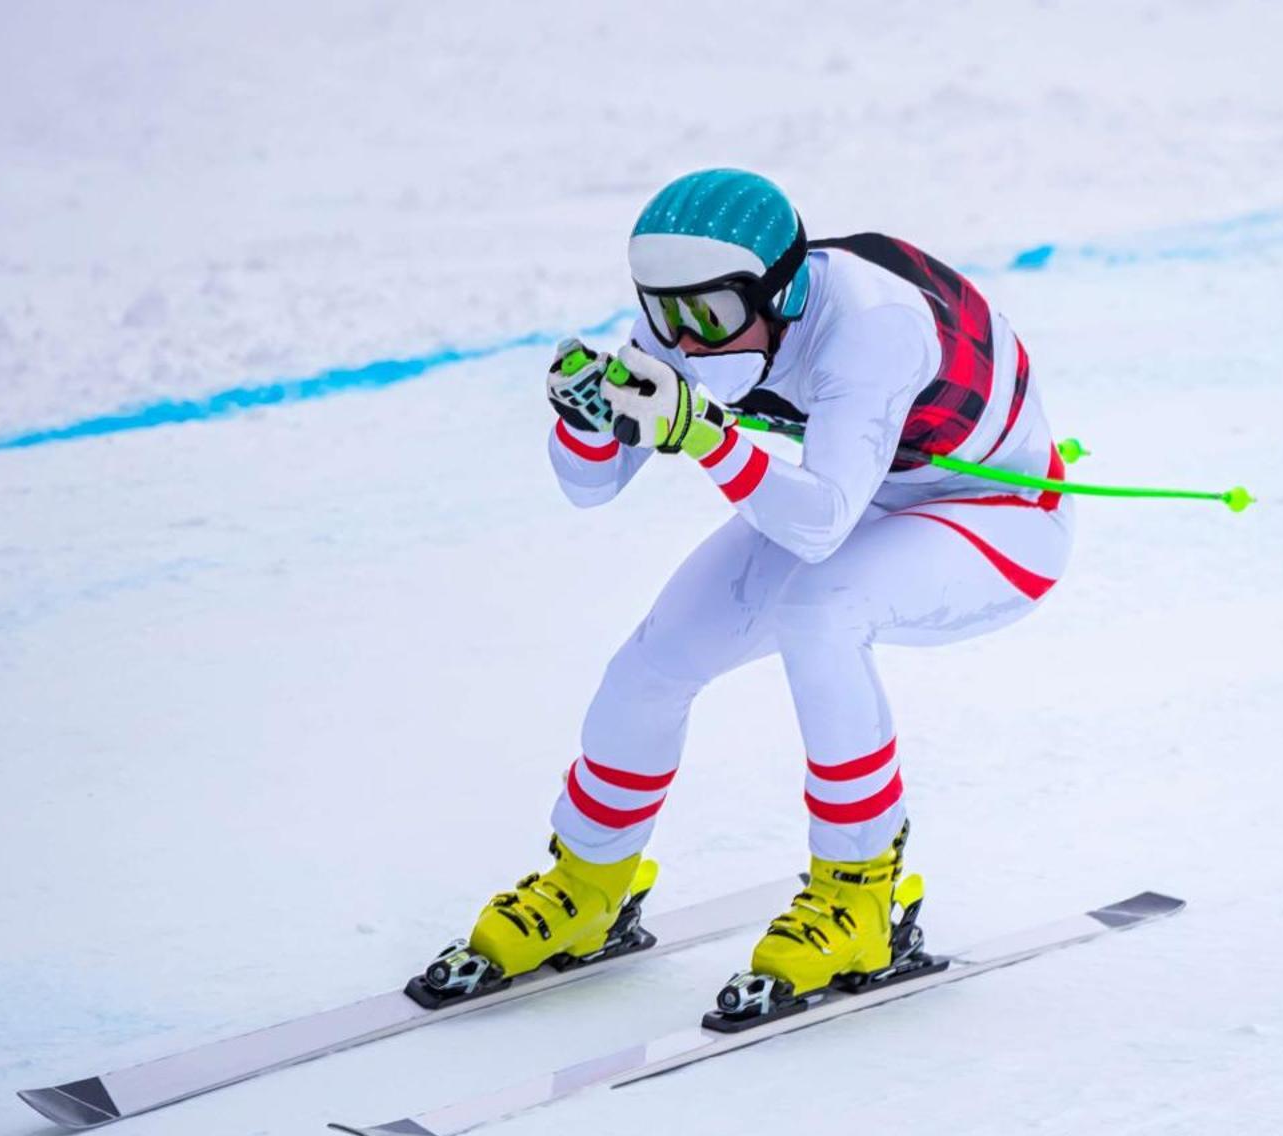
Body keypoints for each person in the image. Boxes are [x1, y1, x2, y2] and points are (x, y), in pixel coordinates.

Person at [422, 168, 1073, 1022]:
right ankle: (588, 881)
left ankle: (861, 897)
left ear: (785, 289)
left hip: (996, 515)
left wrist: (701, 434)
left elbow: (820, 526)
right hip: (865, 494)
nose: (685, 344)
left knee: (820, 616)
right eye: (663, 315)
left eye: (711, 318)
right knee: (655, 661)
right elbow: (590, 486)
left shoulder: (871, 328)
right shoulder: (694, 312)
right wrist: (586, 417)